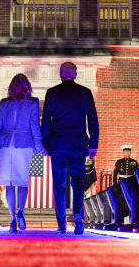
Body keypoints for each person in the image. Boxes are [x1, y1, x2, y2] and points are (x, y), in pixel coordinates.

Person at [41, 61, 99, 235]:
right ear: (75, 74)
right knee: (78, 182)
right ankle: (78, 216)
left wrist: (45, 143)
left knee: (58, 185)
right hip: (78, 144)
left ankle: (61, 225)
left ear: (61, 74)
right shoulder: (85, 93)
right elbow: (93, 121)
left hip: (58, 144)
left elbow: (45, 122)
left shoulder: (52, 93)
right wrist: (93, 144)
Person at [0, 74, 46, 233]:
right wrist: (40, 148)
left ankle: (12, 219)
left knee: (9, 184)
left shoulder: (4, 103)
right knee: (22, 182)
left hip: (6, 145)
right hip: (24, 145)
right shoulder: (33, 102)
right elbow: (35, 127)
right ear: (27, 86)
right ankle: (20, 211)